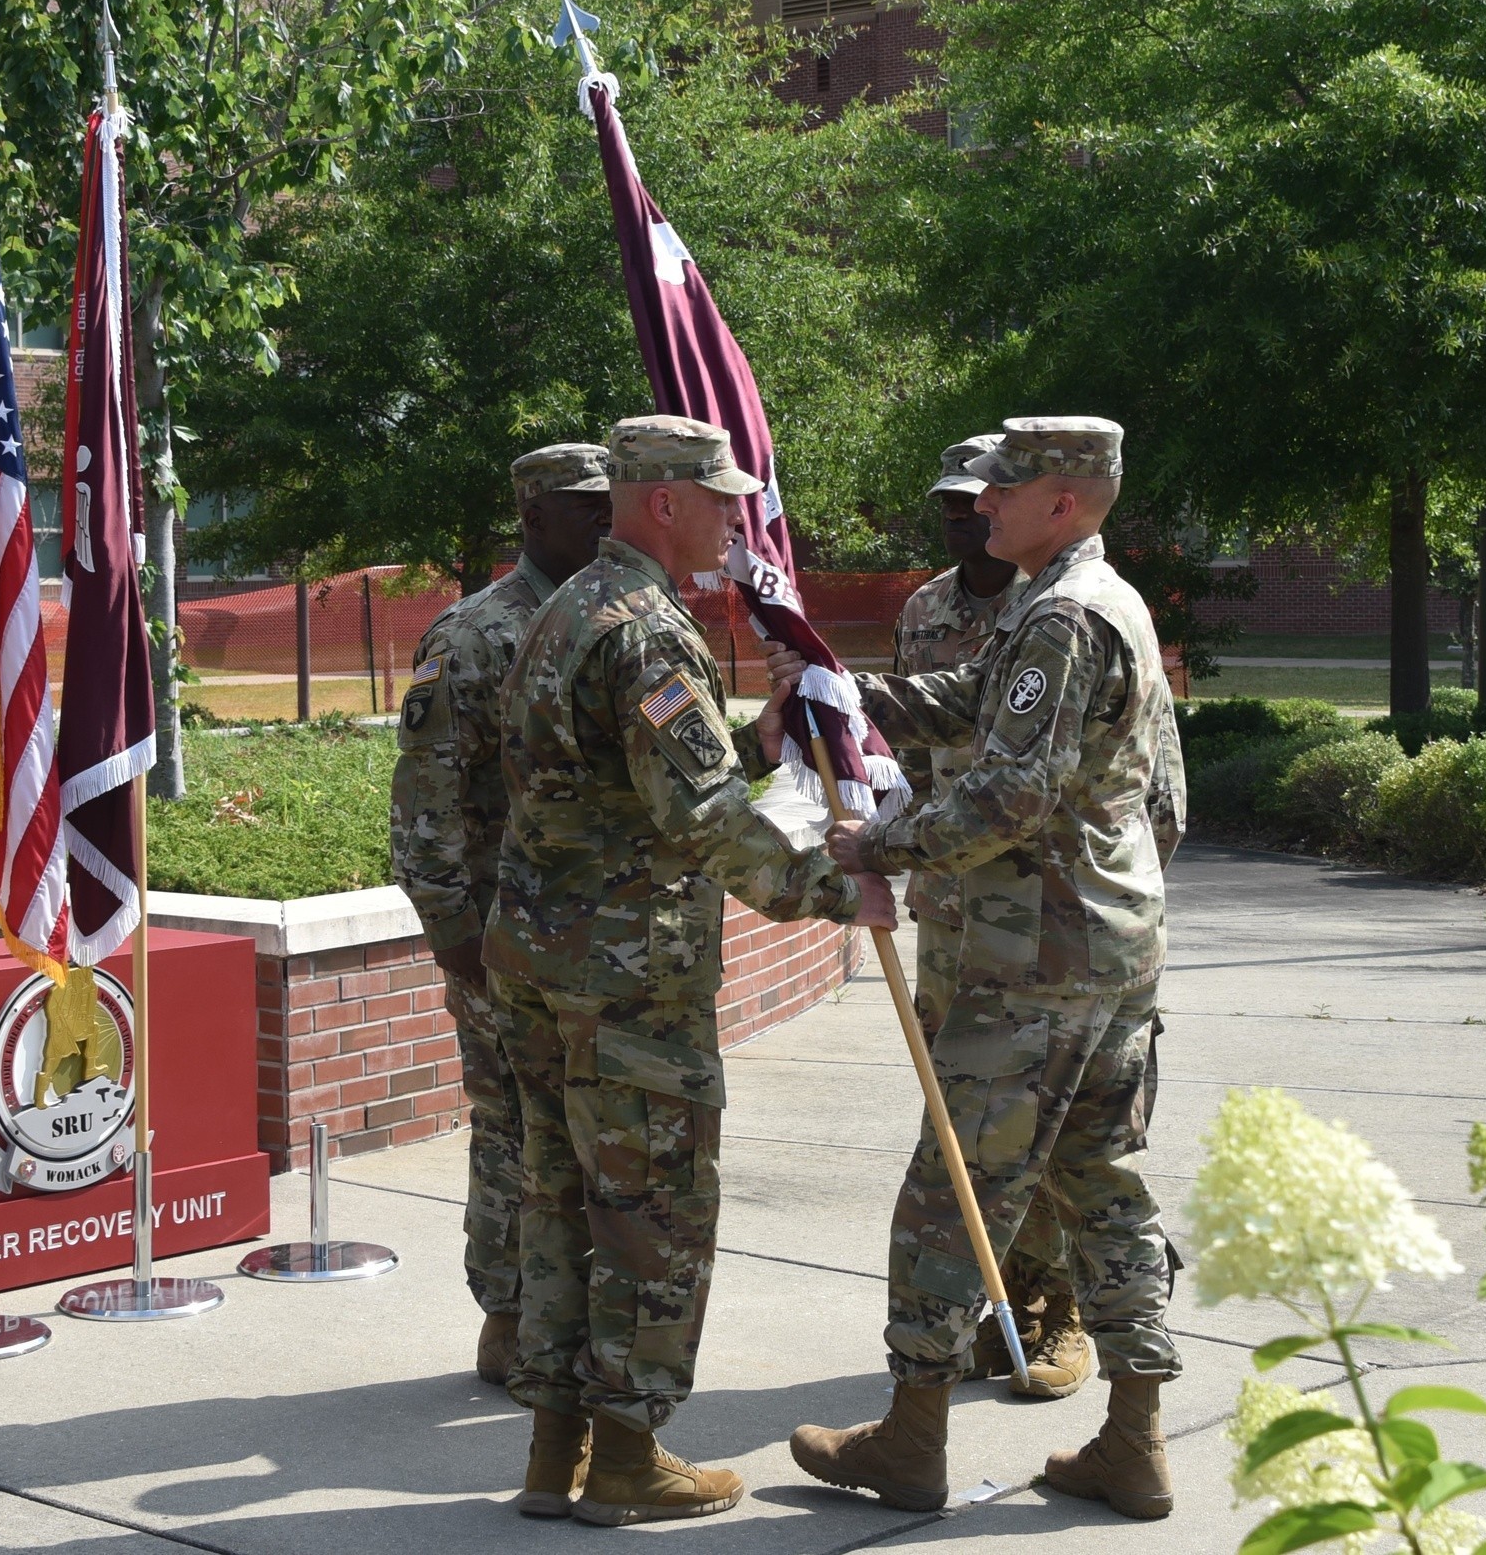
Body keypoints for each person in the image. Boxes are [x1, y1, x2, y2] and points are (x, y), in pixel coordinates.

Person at [484, 413, 899, 1527]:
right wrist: (831, 890)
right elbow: (703, 817)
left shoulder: (562, 606)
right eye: (719, 496)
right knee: (650, 1211)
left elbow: (608, 781)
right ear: (662, 501)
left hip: (538, 956)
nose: (735, 514)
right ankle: (627, 1458)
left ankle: (553, 1449)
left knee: (559, 1199)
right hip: (625, 975)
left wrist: (756, 741)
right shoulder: (645, 630)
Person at [775, 415, 1187, 1520]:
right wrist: (848, 697)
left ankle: (910, 1440)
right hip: (1104, 947)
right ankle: (1134, 1439)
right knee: (1102, 1183)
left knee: (948, 1197)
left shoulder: (1060, 612)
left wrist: (883, 845)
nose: (979, 503)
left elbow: (1010, 793)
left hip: (1033, 957)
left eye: (1003, 487)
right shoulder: (1083, 601)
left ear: (1061, 498)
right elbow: (979, 705)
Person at [390, 443, 613, 1384]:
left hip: (597, 940)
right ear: (531, 516)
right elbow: (425, 798)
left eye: (613, 504)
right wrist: (453, 933)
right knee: (512, 1126)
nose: (604, 522)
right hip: (500, 935)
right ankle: (511, 1315)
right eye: (582, 508)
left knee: (588, 1129)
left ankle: (576, 1311)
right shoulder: (476, 635)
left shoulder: (612, 621)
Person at [894, 437, 1087, 1401]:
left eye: (981, 498)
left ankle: (1049, 1300)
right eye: (951, 503)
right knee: (959, 1113)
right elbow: (908, 752)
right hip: (949, 910)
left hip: (1043, 916)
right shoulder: (925, 610)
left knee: (1036, 1112)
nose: (965, 516)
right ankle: (971, 1305)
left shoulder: (1060, 608)